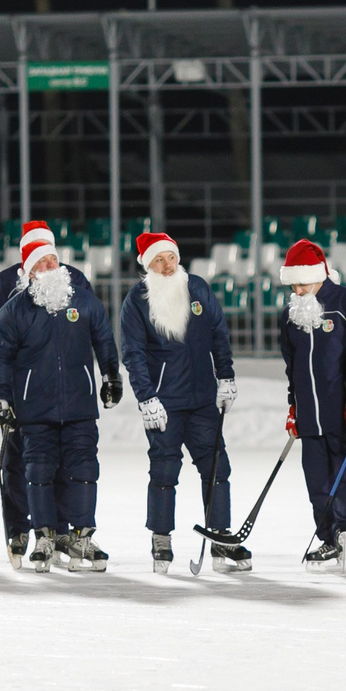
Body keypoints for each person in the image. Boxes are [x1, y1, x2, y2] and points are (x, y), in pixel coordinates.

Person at [0, 240, 121, 572]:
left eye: (53, 261)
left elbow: (103, 340)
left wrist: (111, 376)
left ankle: (81, 536)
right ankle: (44, 536)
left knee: (85, 470)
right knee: (39, 472)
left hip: (80, 404)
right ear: (29, 272)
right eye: (42, 263)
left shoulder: (84, 301)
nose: (51, 267)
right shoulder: (13, 311)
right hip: (35, 408)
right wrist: (1, 396)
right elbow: (0, 357)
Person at [119, 230, 242, 573]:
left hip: (202, 398)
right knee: (163, 471)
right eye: (159, 259)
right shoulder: (137, 301)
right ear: (148, 265)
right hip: (164, 402)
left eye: (171, 257)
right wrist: (146, 398)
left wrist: (227, 376)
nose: (168, 265)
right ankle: (161, 538)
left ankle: (220, 536)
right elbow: (133, 354)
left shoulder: (197, 288)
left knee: (217, 467)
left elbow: (219, 333)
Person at [277, 238, 346, 569]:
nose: (298, 290)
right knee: (317, 482)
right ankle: (329, 538)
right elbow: (292, 366)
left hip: (345, 412)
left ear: (319, 275)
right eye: (293, 284)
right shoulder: (289, 314)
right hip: (310, 417)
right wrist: (293, 406)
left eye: (303, 282)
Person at [0, 221, 53, 565]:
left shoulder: (70, 280)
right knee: (15, 462)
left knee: (51, 462)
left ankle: (54, 530)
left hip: (53, 388)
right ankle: (18, 527)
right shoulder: (3, 284)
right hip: (13, 386)